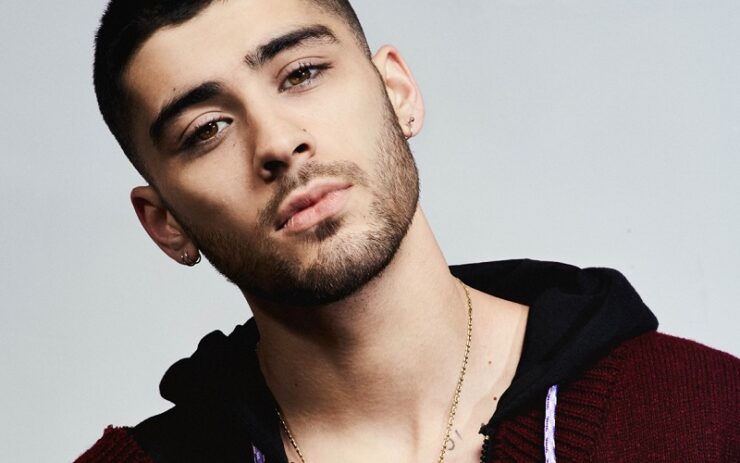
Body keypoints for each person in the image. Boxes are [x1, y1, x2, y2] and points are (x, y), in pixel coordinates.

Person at [78, 0, 738, 462]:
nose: (277, 142)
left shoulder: (704, 414)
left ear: (397, 92)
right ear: (166, 224)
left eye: (302, 73)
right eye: (207, 130)